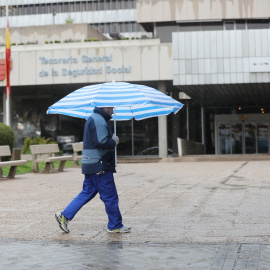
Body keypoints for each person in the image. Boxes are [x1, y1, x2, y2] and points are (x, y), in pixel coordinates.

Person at [55, 106, 131, 234]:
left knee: (86, 192)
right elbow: (100, 142)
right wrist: (114, 141)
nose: (113, 110)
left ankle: (64, 215)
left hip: (91, 164)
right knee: (110, 196)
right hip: (99, 164)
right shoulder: (99, 120)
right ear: (105, 107)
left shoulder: (95, 118)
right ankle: (115, 225)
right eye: (111, 107)